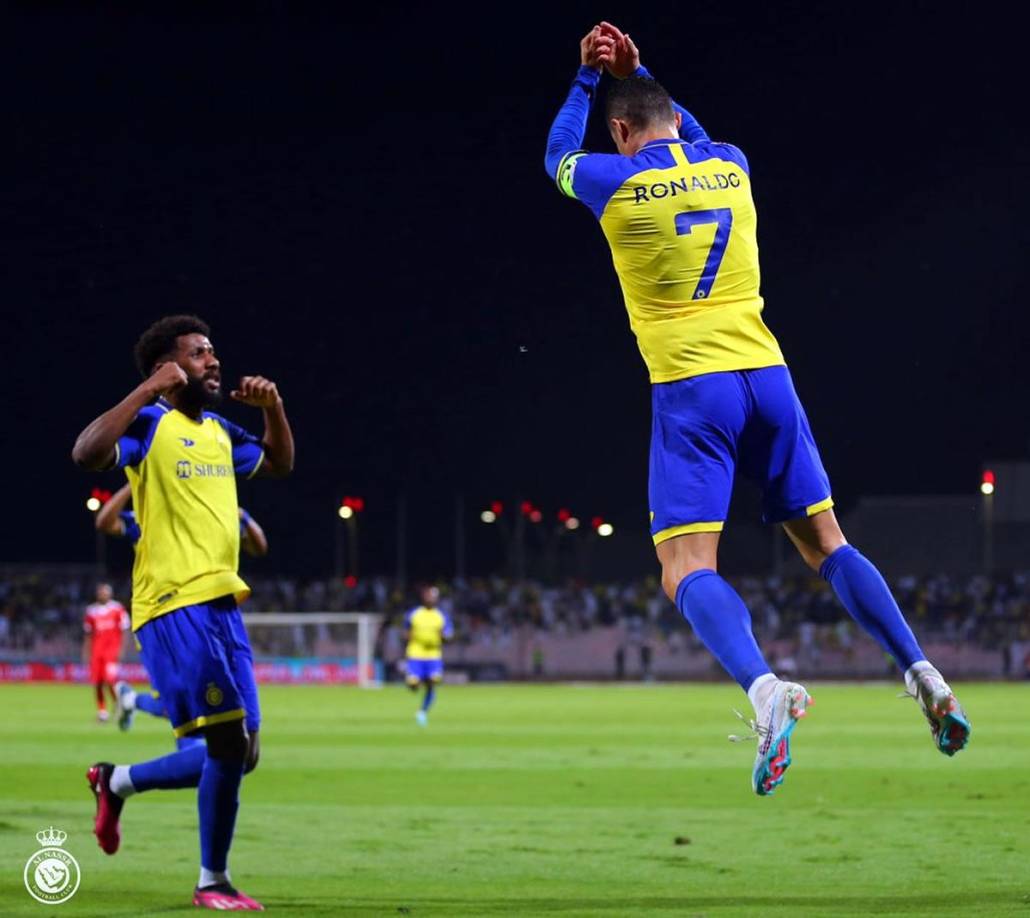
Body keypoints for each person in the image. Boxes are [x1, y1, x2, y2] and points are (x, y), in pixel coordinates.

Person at [545, 23, 970, 795]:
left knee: (683, 568)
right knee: (827, 541)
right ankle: (922, 672)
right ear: (675, 121)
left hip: (691, 385)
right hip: (769, 374)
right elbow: (690, 131)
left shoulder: (615, 180)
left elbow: (556, 160)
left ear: (619, 132)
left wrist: (586, 78)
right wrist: (644, 73)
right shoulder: (730, 165)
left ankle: (766, 690)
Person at [72, 314, 294, 909]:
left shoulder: (220, 429)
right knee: (224, 746)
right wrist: (147, 389)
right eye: (199, 354)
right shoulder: (149, 422)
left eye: (213, 351)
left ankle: (116, 780)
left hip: (224, 603)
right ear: (168, 368)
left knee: (242, 753)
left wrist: (272, 407)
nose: (213, 361)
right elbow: (87, 452)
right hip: (174, 604)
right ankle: (211, 881)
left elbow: (278, 464)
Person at [95, 483, 268, 732]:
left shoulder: (211, 514)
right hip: (159, 615)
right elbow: (104, 522)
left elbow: (258, 547)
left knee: (215, 708)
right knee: (180, 708)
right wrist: (134, 484)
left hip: (207, 613)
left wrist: (244, 516)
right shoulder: (144, 519)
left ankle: (131, 701)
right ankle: (133, 710)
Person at [403, 586, 453, 726]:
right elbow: (406, 630)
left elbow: (448, 633)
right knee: (413, 684)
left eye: (433, 596)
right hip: (416, 652)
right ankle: (414, 684)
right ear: (423, 598)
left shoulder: (441, 616)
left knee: (432, 681)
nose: (430, 599)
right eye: (428, 596)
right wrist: (407, 638)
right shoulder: (415, 613)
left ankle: (422, 712)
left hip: (433, 654)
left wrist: (444, 636)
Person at [82, 583, 130, 723]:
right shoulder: (91, 611)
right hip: (97, 652)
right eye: (100, 592)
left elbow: (125, 629)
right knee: (97, 682)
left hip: (111, 651)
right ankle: (102, 712)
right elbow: (88, 634)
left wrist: (122, 649)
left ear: (110, 594)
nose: (102, 594)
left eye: (105, 592)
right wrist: (86, 652)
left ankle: (118, 704)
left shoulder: (117, 609)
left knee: (110, 680)